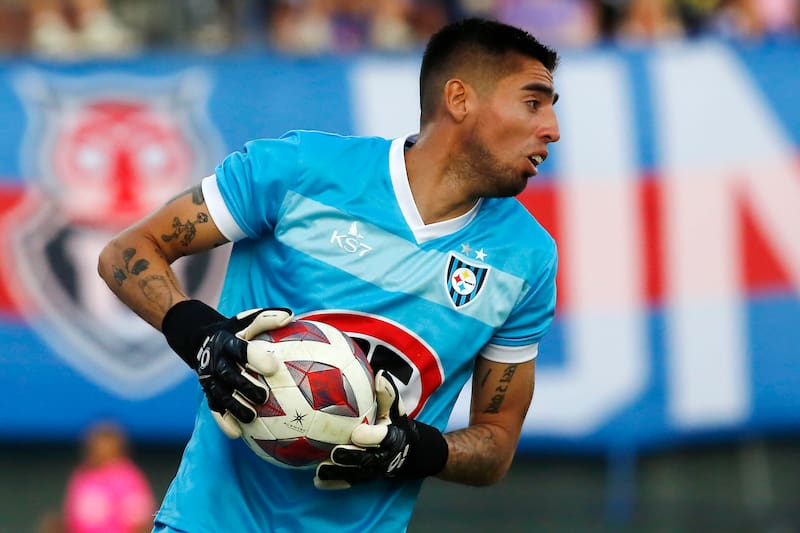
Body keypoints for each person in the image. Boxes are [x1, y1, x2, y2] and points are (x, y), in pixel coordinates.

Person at [97, 16, 560, 532]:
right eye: (533, 102)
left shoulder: (527, 259)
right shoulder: (297, 170)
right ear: (459, 99)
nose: (552, 130)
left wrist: (417, 449)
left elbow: (496, 445)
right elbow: (126, 252)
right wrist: (202, 336)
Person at [62, 422, 156, 533]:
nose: (100, 449)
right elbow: (69, 519)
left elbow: (142, 523)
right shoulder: (81, 476)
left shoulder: (129, 478)